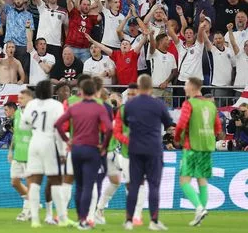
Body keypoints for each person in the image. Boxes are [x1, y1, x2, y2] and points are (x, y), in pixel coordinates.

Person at [54, 78, 112, 230]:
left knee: (76, 184)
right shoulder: (100, 107)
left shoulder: (73, 105)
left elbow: (58, 124)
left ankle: (75, 217)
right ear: (94, 90)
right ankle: (87, 219)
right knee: (90, 184)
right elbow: (110, 128)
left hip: (75, 150)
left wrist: (67, 140)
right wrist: (104, 145)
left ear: (80, 89)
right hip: (92, 149)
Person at [123, 74, 173, 230]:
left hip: (135, 149)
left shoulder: (130, 105)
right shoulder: (158, 104)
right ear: (151, 87)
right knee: (153, 186)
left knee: (134, 186)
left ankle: (129, 221)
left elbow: (126, 121)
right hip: (153, 149)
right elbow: (168, 123)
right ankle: (153, 221)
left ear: (138, 87)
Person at [94, 83, 147, 226]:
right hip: (118, 153)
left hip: (134, 152)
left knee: (134, 182)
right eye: (128, 94)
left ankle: (136, 214)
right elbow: (116, 131)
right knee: (120, 182)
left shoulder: (144, 110)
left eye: (132, 94)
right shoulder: (118, 111)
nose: (130, 97)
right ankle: (98, 209)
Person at [174, 77, 224, 227]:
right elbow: (217, 128)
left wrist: (177, 138)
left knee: (184, 180)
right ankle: (199, 215)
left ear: (192, 87)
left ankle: (199, 207)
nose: (184, 88)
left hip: (192, 146)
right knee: (202, 179)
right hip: (207, 147)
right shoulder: (210, 105)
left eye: (186, 85)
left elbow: (181, 124)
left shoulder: (189, 104)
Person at [21, 81, 67, 228]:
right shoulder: (56, 106)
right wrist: (62, 151)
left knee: (34, 181)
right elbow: (59, 129)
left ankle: (35, 219)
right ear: (49, 91)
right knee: (55, 180)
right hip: (49, 142)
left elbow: (23, 125)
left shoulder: (32, 104)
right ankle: (62, 217)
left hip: (34, 142)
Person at [6, 98, 33, 223]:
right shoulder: (17, 114)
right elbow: (16, 134)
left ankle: (26, 211)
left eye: (22, 98)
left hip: (30, 154)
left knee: (30, 184)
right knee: (14, 182)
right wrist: (11, 151)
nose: (20, 100)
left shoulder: (34, 114)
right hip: (18, 153)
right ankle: (33, 202)